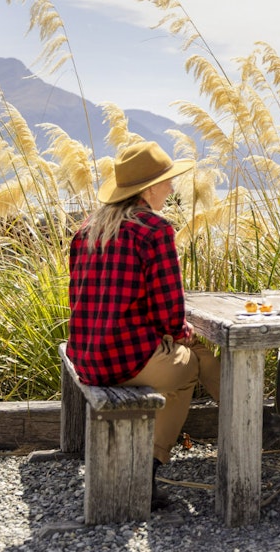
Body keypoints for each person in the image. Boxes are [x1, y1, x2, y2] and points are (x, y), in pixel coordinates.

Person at [65, 141, 220, 508]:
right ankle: (146, 471)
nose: (171, 188)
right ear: (149, 188)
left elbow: (77, 301)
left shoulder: (88, 229)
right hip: (123, 362)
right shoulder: (155, 230)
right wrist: (185, 334)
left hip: (87, 357)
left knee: (196, 350)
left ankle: (254, 422)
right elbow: (169, 315)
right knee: (189, 367)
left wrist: (185, 337)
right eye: (167, 182)